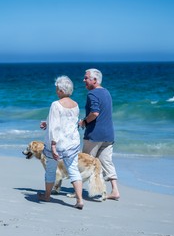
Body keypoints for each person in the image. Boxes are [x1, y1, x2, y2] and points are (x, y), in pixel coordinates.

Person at [38, 76, 84, 209]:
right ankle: (80, 200)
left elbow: (55, 127)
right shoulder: (75, 105)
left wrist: (53, 145)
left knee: (51, 169)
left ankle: (47, 196)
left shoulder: (55, 104)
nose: (56, 91)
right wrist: (47, 123)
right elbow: (68, 122)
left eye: (57, 89)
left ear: (62, 90)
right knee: (73, 170)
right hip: (72, 142)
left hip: (58, 143)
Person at [78, 68, 120, 200]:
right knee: (106, 162)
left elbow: (95, 113)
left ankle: (78, 191)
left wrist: (84, 121)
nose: (83, 80)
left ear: (95, 80)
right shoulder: (106, 92)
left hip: (94, 135)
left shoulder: (92, 94)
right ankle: (114, 190)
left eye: (86, 78)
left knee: (86, 163)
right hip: (109, 135)